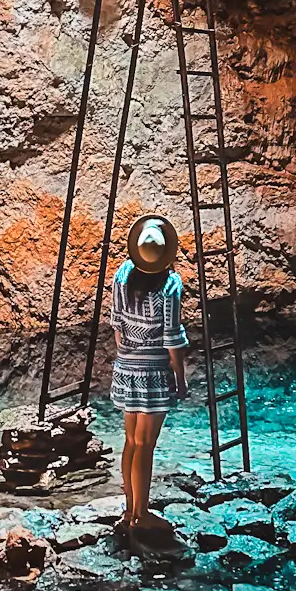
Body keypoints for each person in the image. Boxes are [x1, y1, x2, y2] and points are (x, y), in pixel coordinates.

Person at [110, 215, 189, 533]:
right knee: (145, 444)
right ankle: (140, 515)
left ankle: (129, 510)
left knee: (130, 440)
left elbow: (117, 324)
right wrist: (180, 377)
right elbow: (172, 338)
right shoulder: (170, 285)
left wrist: (129, 353)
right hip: (154, 374)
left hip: (126, 369)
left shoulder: (122, 274)